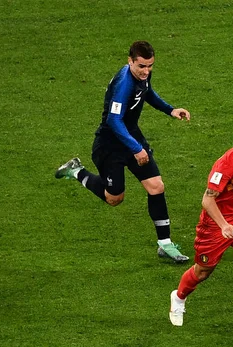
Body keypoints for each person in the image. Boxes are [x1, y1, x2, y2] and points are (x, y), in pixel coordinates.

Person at [55, 41, 190, 263]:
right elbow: (114, 120)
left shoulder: (142, 76)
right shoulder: (123, 84)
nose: (146, 71)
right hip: (110, 145)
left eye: (150, 66)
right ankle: (77, 171)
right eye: (142, 66)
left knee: (156, 186)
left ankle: (165, 245)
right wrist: (136, 149)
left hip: (131, 136)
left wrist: (170, 110)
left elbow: (148, 93)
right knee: (114, 198)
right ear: (130, 61)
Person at [169, 115, 233, 329]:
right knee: (203, 271)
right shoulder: (226, 165)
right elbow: (207, 200)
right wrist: (224, 225)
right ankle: (178, 299)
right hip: (215, 225)